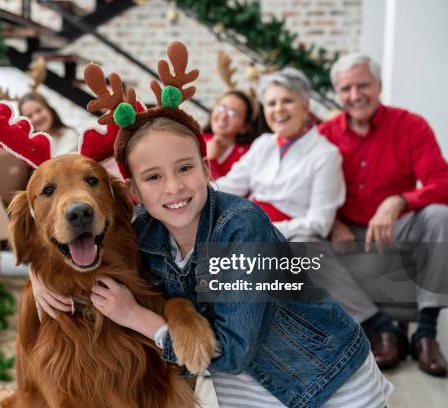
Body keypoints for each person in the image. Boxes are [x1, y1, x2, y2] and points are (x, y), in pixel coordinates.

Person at [25, 43, 393, 407]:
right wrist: (38, 278)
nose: (173, 187)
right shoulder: (148, 232)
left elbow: (232, 352)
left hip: (329, 382)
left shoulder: (242, 229)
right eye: (153, 177)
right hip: (252, 391)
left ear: (206, 167)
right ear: (132, 190)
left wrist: (136, 317)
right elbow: (90, 247)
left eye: (185, 168)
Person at [318, 53, 448, 376]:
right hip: (346, 231)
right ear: (338, 92)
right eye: (346, 88)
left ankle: (426, 333)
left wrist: (399, 201)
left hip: (395, 226)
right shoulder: (324, 135)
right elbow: (306, 191)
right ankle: (383, 328)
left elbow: (442, 182)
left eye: (363, 85)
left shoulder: (410, 125)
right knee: (302, 245)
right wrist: (333, 221)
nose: (355, 95)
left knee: (440, 217)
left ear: (379, 85)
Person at [214, 68, 345, 241]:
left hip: (292, 238)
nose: (278, 109)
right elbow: (230, 186)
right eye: (271, 103)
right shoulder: (263, 144)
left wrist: (264, 228)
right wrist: (195, 192)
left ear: (305, 107)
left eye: (287, 101)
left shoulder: (326, 154)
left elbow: (319, 222)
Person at [203, 90, 260, 179]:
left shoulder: (248, 154)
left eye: (233, 113)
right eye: (221, 108)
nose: (223, 116)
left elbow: (225, 190)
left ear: (245, 127)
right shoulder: (195, 140)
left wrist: (211, 160)